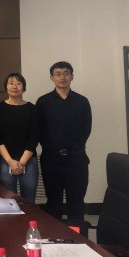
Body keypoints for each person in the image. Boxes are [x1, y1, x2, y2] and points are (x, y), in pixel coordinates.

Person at [36, 61, 92, 220]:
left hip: (76, 158)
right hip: (51, 159)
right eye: (58, 74)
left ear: (72, 76)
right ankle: (55, 234)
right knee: (53, 202)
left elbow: (86, 129)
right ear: (52, 78)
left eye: (66, 73)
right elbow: (39, 130)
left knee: (76, 201)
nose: (63, 77)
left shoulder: (82, 101)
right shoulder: (43, 102)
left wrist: (72, 148)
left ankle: (76, 233)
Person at [0, 73, 39, 203]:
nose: (14, 86)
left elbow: (34, 137)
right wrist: (10, 161)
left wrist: (21, 163)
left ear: (24, 88)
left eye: (18, 83)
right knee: (8, 201)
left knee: (28, 201)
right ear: (6, 87)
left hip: (29, 160)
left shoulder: (32, 109)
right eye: (11, 83)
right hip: (5, 160)